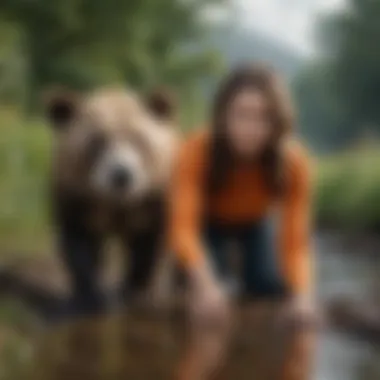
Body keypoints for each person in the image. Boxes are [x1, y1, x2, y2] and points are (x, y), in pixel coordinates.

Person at [169, 63, 315, 325]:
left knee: (270, 286)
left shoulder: (294, 162)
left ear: (278, 121)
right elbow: (182, 228)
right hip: (207, 223)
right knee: (209, 286)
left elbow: (295, 240)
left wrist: (302, 295)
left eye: (264, 117)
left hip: (254, 223)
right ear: (223, 116)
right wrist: (205, 284)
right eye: (242, 115)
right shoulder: (196, 149)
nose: (251, 128)